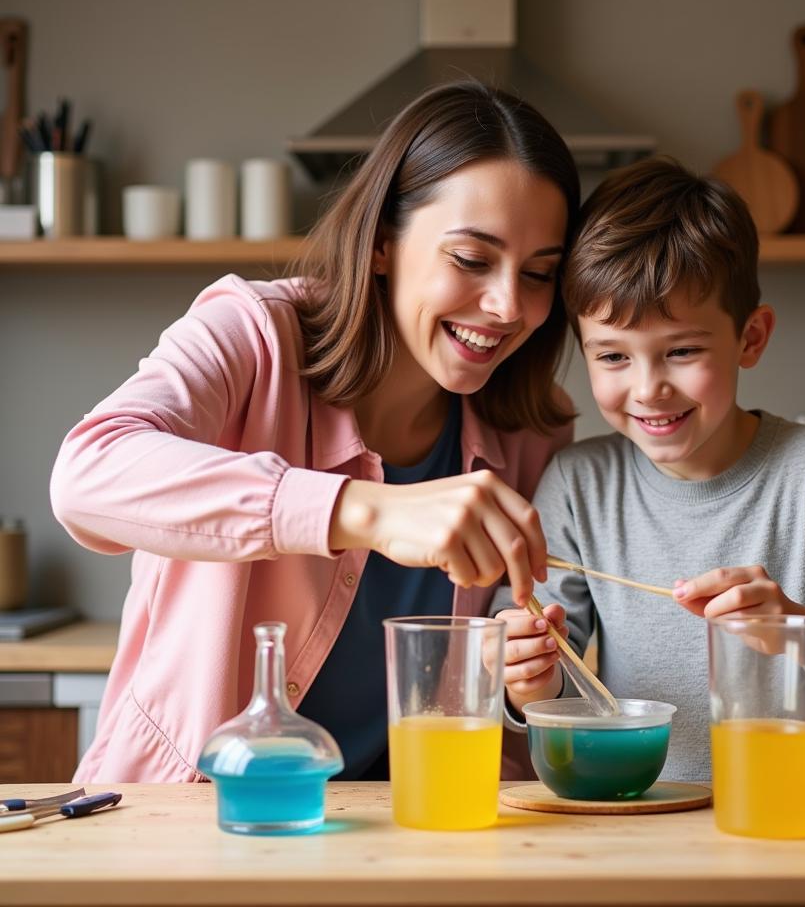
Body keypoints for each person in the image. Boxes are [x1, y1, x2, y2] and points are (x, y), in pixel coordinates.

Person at [51, 80, 580, 782]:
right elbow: (87, 474)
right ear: (384, 243)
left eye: (540, 273)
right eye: (472, 260)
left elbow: (511, 714)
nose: (508, 305)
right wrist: (363, 510)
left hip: (403, 836)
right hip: (187, 818)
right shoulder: (252, 335)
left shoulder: (534, 427)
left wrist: (522, 675)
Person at [494, 157, 805, 780]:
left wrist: (799, 631)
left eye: (681, 351)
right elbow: (528, 683)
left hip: (802, 819)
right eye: (613, 356)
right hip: (644, 820)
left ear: (751, 339)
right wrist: (525, 679)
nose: (649, 388)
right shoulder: (578, 484)